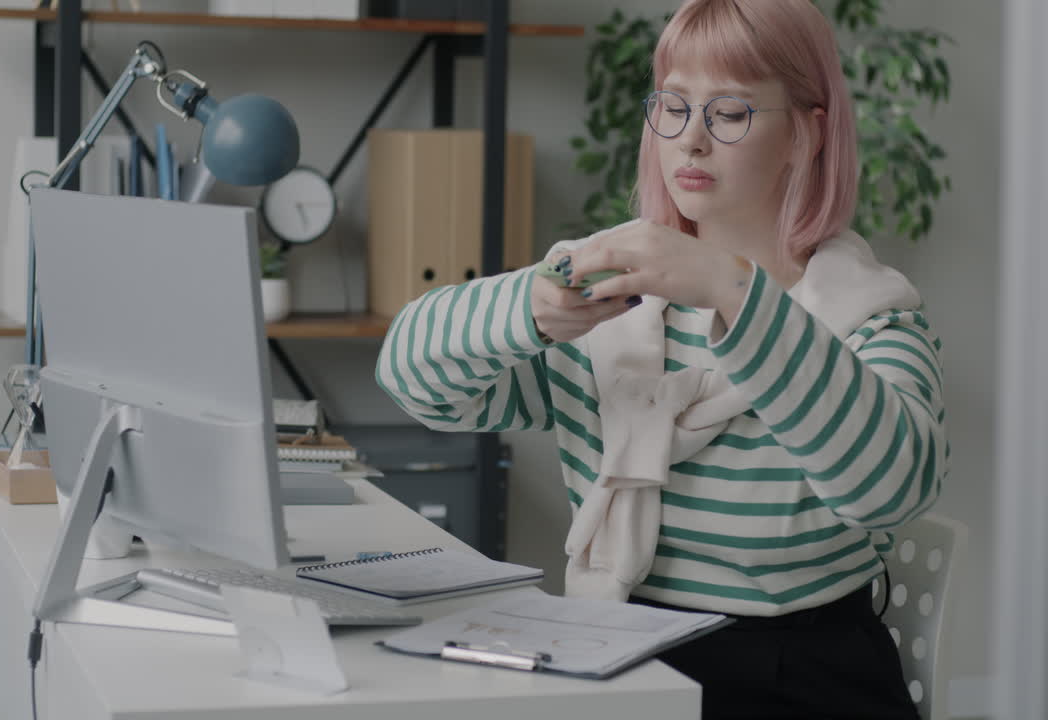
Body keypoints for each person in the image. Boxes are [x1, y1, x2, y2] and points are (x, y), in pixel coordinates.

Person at [376, 0, 947, 717]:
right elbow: (413, 381)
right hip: (617, 649)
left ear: (807, 132)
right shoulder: (608, 306)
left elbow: (893, 488)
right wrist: (531, 307)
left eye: (730, 111)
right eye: (672, 106)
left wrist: (730, 287)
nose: (691, 142)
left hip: (799, 676)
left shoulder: (873, 317)